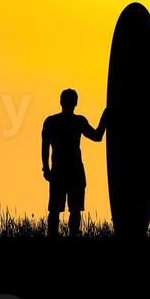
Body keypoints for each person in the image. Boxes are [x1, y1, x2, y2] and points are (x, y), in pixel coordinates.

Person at [41, 89, 107, 237]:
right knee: (72, 210)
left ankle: (57, 237)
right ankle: (72, 237)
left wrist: (46, 168)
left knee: (57, 210)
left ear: (60, 101)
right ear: (76, 103)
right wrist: (105, 117)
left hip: (60, 171)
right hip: (73, 171)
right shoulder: (77, 121)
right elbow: (97, 136)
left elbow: (45, 147)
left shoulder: (52, 121)